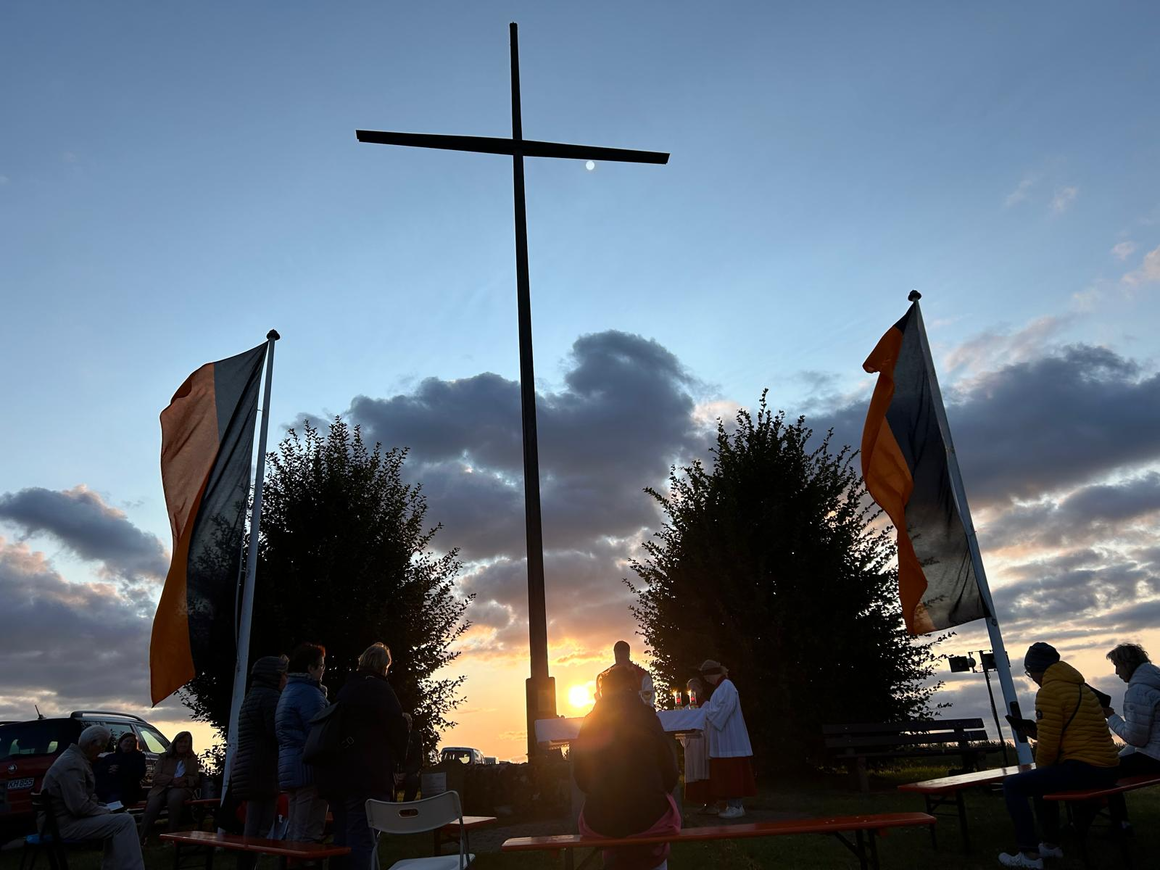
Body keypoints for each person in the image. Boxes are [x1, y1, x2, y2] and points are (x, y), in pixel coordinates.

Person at [998, 643, 1120, 869]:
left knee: (1014, 786)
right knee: (1040, 783)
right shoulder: (1082, 687)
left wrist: (1041, 769)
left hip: (1086, 768)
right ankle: (1051, 844)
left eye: (1029, 673)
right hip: (1108, 766)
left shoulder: (1049, 692)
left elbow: (1049, 746)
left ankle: (1029, 855)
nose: (1032, 678)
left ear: (1035, 670)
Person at [573, 664, 680, 870]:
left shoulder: (590, 721)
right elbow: (670, 774)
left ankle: (616, 861)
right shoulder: (648, 717)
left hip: (601, 821)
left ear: (603, 691)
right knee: (653, 825)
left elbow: (580, 777)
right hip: (649, 818)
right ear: (633, 688)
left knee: (615, 824)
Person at [318, 642, 408, 870]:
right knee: (362, 838)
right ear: (383, 666)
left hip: (340, 775)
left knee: (342, 838)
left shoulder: (347, 689)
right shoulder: (380, 689)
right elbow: (397, 728)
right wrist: (401, 762)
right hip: (368, 775)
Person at [41, 724, 145, 870]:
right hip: (63, 825)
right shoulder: (72, 764)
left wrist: (103, 807)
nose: (103, 750)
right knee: (125, 821)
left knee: (119, 817)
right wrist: (105, 810)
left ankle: (113, 867)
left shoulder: (74, 759)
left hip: (60, 820)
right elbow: (79, 807)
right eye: (102, 746)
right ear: (91, 744)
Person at [231, 654, 288, 844]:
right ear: (274, 676)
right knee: (258, 830)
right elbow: (278, 730)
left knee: (255, 828)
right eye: (284, 674)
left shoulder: (254, 696)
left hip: (252, 769)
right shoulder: (270, 697)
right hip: (262, 769)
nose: (286, 679)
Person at [278, 642, 330, 842]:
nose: (323, 670)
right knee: (308, 832)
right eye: (322, 666)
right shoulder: (309, 694)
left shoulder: (289, 691)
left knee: (296, 828)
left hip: (291, 767)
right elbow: (319, 733)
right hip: (308, 770)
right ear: (310, 668)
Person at [1103, 643, 1160, 826]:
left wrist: (1111, 717)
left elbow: (1136, 739)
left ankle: (1120, 824)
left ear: (1127, 664)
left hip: (1154, 758)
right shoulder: (1155, 683)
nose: (1117, 672)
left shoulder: (1138, 692)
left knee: (1102, 772)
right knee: (1113, 764)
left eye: (1117, 666)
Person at [699, 659, 755, 819]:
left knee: (733, 772)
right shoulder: (721, 688)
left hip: (731, 738)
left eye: (706, 676)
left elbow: (723, 710)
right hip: (724, 739)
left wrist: (706, 714)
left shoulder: (727, 687)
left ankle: (736, 806)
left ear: (712, 674)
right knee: (727, 772)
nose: (706, 680)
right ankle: (731, 804)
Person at [139, 731, 200, 844]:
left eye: (186, 742)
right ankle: (141, 838)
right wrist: (172, 780)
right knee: (153, 805)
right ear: (175, 743)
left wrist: (185, 780)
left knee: (174, 799)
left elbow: (196, 778)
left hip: (182, 788)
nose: (183, 745)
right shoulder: (164, 757)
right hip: (162, 787)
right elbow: (156, 776)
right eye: (181, 742)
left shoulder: (192, 759)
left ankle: (172, 837)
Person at [679, 677, 712, 812]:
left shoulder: (708, 706)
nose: (692, 692)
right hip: (692, 746)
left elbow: (710, 724)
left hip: (703, 744)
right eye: (690, 689)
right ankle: (704, 803)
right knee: (696, 773)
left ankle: (711, 803)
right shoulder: (686, 708)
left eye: (694, 689)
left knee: (706, 772)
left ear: (700, 689)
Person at [595, 641, 655, 708]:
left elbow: (648, 703)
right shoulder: (604, 676)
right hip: (612, 716)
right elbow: (601, 702)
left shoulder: (642, 676)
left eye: (622, 656)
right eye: (617, 657)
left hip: (637, 715)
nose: (619, 659)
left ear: (628, 654)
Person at [95, 733, 147, 806]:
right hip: (106, 789)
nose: (129, 743)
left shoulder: (139, 757)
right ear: (120, 743)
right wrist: (109, 770)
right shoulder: (109, 757)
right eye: (127, 741)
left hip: (127, 791)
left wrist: (120, 770)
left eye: (131, 742)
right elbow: (98, 772)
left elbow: (139, 773)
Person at [395, 713, 423, 802]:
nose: (409, 725)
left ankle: (407, 806)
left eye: (410, 722)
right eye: (406, 723)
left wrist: (406, 773)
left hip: (408, 773)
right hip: (393, 771)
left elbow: (418, 761)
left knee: (413, 780)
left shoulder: (416, 737)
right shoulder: (392, 735)